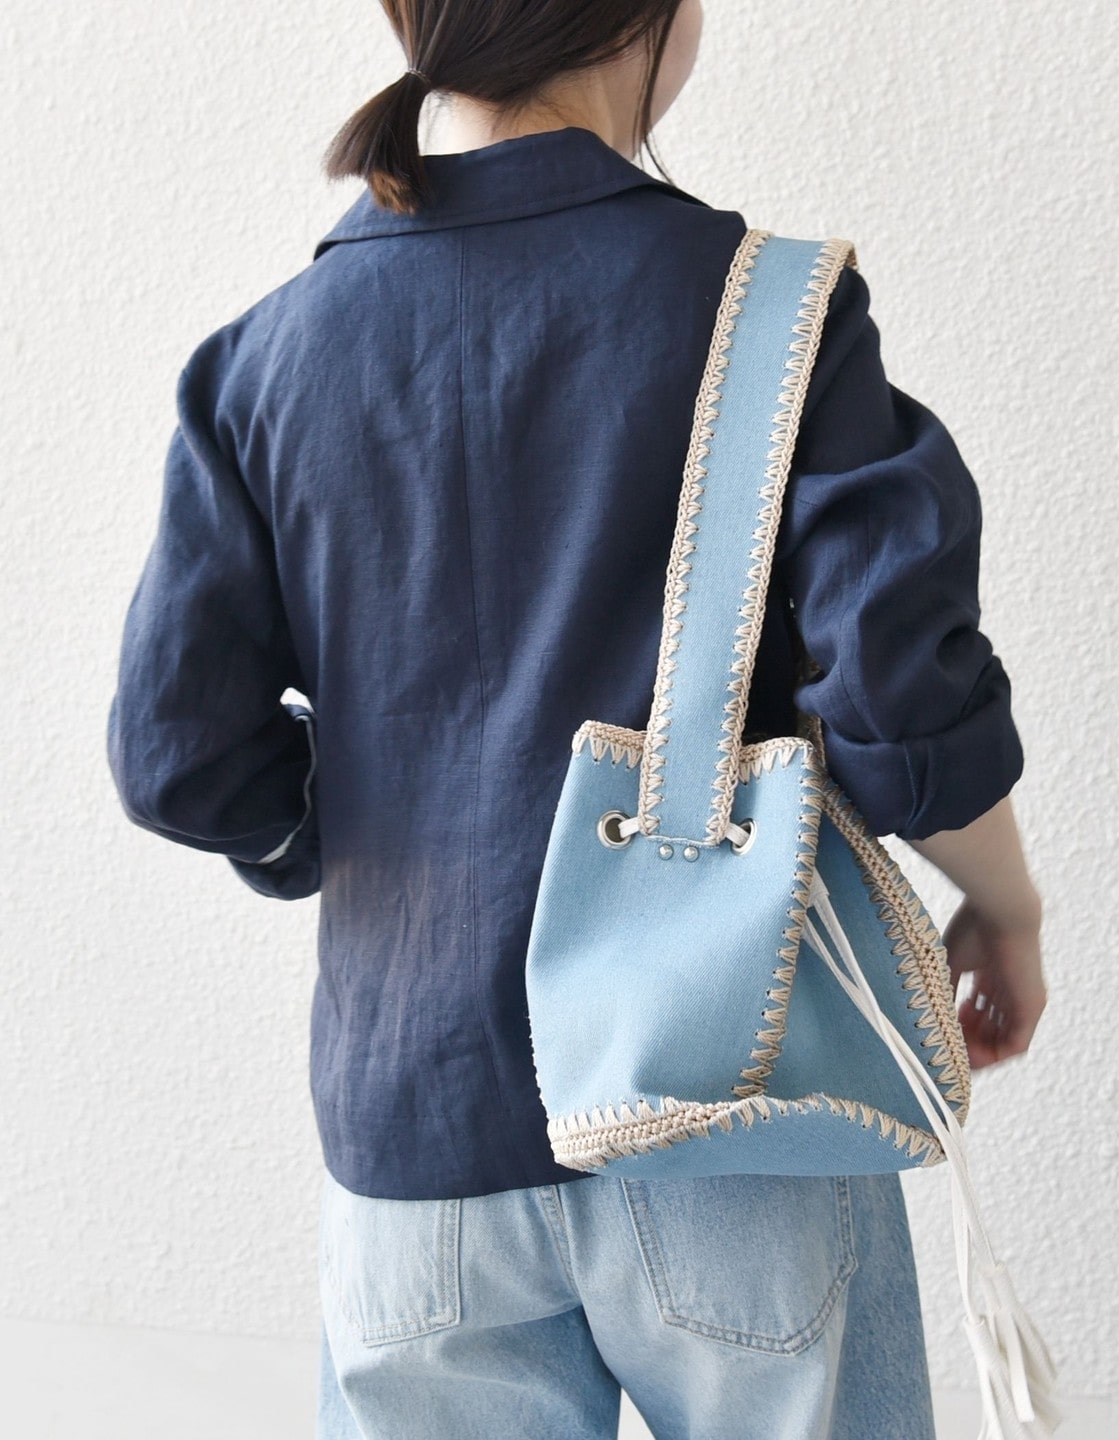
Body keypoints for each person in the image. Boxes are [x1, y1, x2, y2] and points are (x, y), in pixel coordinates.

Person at [105, 2, 1049, 1436]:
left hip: (416, 1142)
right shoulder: (768, 312)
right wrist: (1008, 910)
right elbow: (901, 698)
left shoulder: (263, 363)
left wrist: (347, 834)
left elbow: (178, 754)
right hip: (728, 1106)